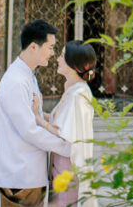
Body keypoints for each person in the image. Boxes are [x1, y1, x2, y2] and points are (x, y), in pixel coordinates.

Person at [0, 19, 72, 207]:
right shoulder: (16, 81)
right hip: (20, 175)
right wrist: (66, 147)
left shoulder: (27, 75)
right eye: (50, 47)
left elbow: (33, 117)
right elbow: (29, 129)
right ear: (33, 47)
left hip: (30, 173)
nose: (53, 53)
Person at [33, 40, 99, 207]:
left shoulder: (78, 95)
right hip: (60, 162)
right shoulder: (73, 90)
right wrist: (42, 113)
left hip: (67, 164)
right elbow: (61, 121)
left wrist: (37, 117)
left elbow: (62, 133)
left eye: (62, 56)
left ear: (74, 65)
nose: (57, 59)